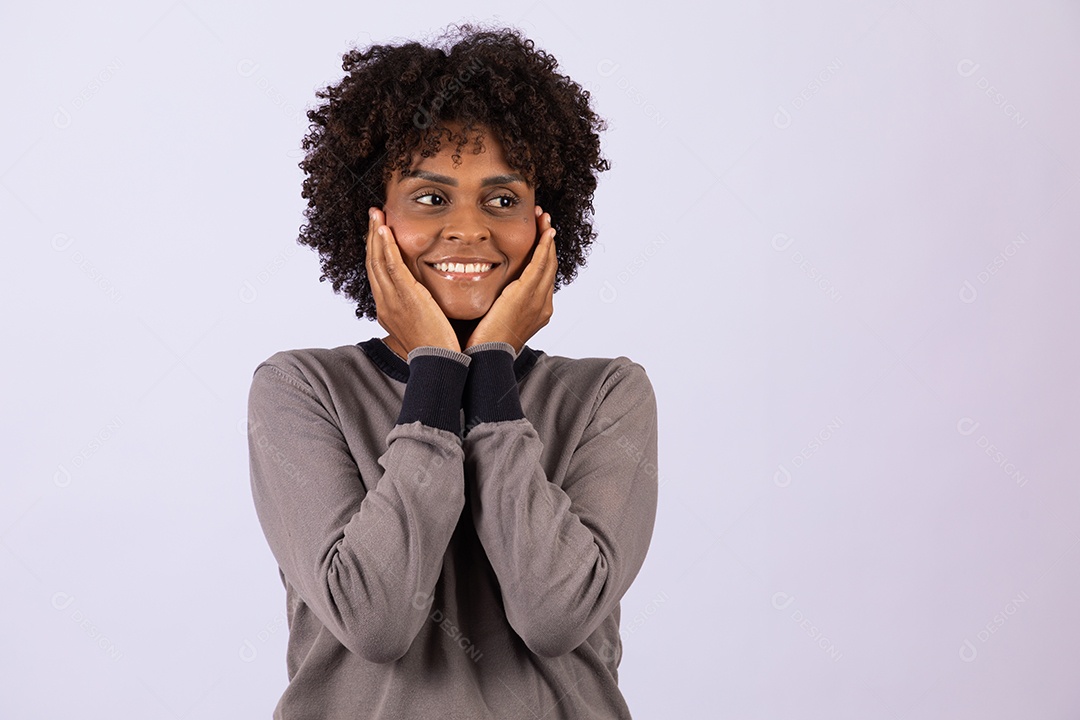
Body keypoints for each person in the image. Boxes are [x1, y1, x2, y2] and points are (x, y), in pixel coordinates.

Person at [246, 24, 658, 719]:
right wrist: (437, 374)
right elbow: (375, 621)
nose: (469, 227)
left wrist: (490, 369)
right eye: (431, 198)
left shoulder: (605, 396)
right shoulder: (301, 390)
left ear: (546, 220)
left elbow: (554, 614)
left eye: (503, 200)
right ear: (371, 221)